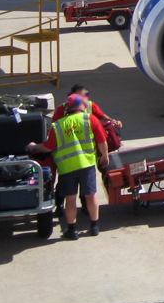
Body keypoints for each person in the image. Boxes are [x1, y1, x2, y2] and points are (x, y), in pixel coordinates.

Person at [27, 95, 108, 239]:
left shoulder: (57, 125)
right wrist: (105, 156)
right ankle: (94, 226)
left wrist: (34, 146)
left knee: (70, 199)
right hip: (87, 165)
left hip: (66, 168)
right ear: (81, 105)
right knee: (91, 195)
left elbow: (48, 147)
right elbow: (102, 140)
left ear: (67, 108)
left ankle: (72, 230)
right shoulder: (90, 119)